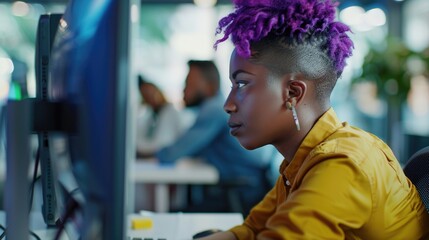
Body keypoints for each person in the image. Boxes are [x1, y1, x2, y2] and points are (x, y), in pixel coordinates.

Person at [197, 0, 429, 239]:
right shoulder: (301, 161)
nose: (228, 104)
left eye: (242, 83)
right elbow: (250, 230)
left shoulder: (342, 164)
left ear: (293, 93)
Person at [155, 60, 276, 215]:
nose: (184, 90)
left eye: (189, 83)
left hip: (242, 195)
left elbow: (171, 154)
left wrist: (151, 154)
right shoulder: (217, 107)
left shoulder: (214, 109)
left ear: (210, 86)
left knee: (171, 216)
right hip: (247, 190)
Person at [135, 75, 184, 158]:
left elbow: (162, 142)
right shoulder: (149, 115)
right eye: (145, 96)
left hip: (163, 157)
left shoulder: (170, 112)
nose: (150, 98)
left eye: (152, 94)